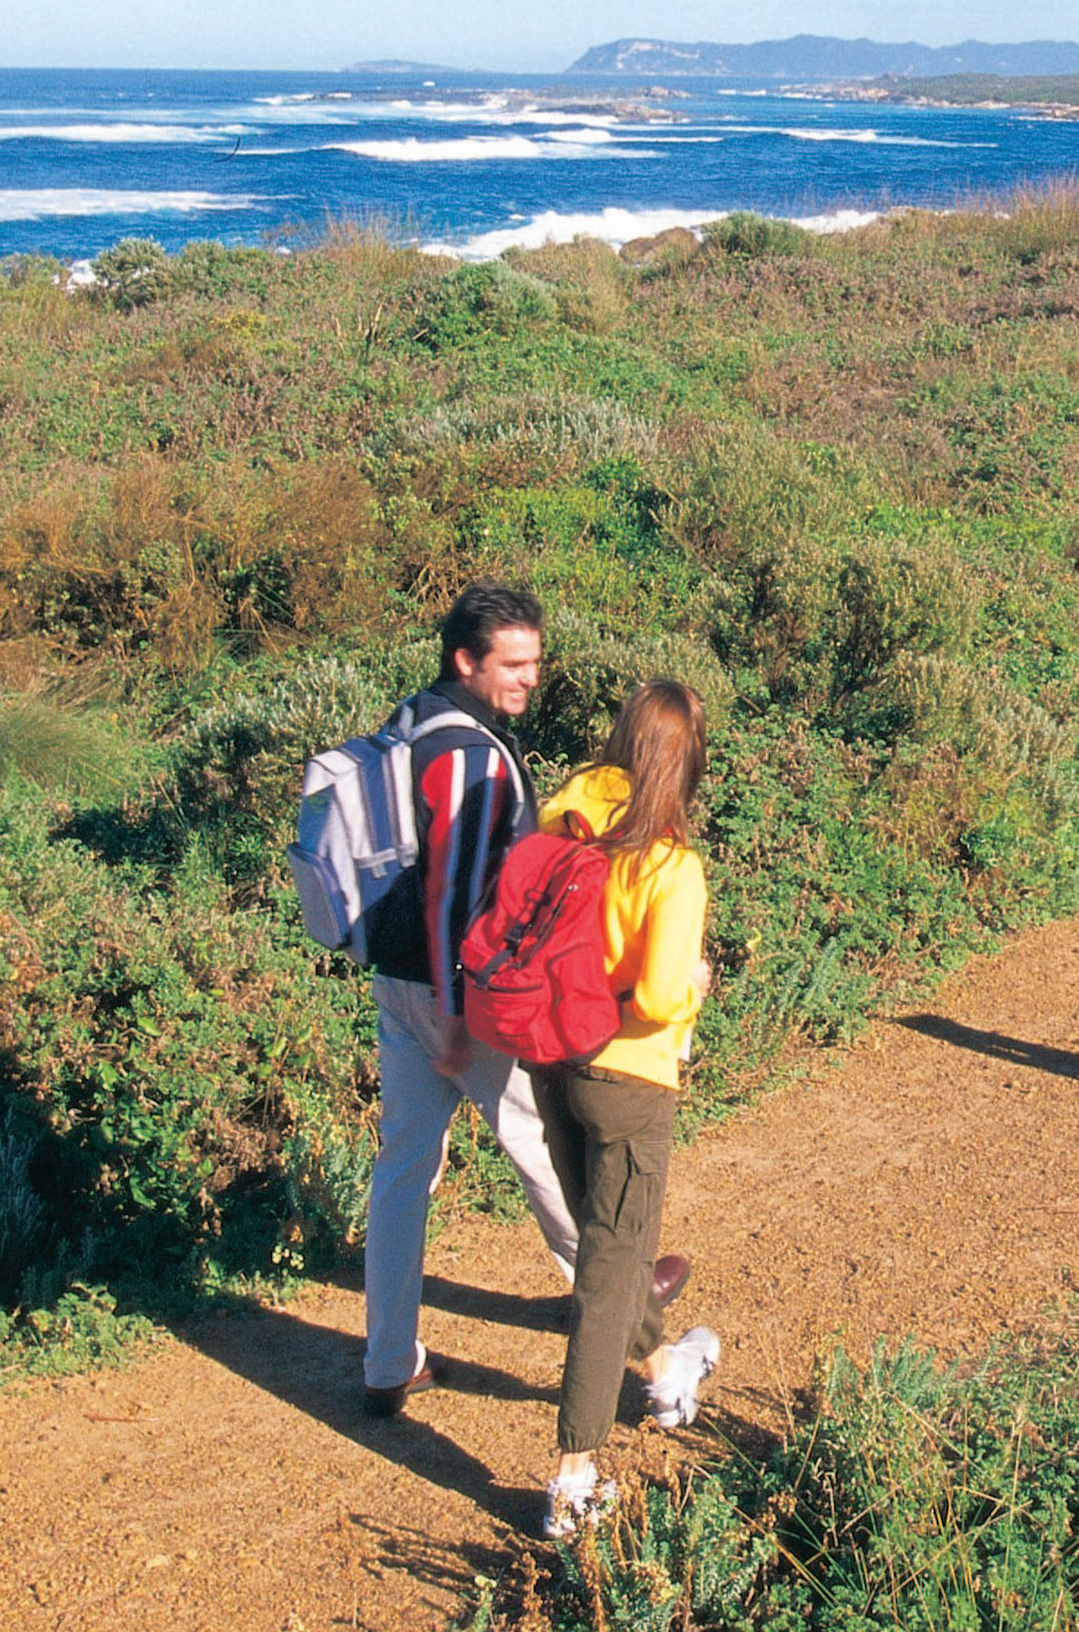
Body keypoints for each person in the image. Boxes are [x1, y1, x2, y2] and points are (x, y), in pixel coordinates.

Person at [358, 581, 581, 1418]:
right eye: (513, 664)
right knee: (543, 1149)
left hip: (396, 978)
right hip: (462, 996)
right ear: (467, 659)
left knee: (402, 1171)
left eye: (534, 661)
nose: (530, 678)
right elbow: (454, 889)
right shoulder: (468, 754)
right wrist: (457, 1013)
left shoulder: (412, 718)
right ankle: (635, 1326)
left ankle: (388, 1362)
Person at [529, 678, 723, 1538]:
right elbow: (653, 990)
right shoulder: (671, 866)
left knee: (614, 1245)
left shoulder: (560, 819)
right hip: (629, 1079)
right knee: (609, 1272)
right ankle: (574, 1471)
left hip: (548, 1059)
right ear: (686, 765)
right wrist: (695, 987)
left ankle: (666, 1362)